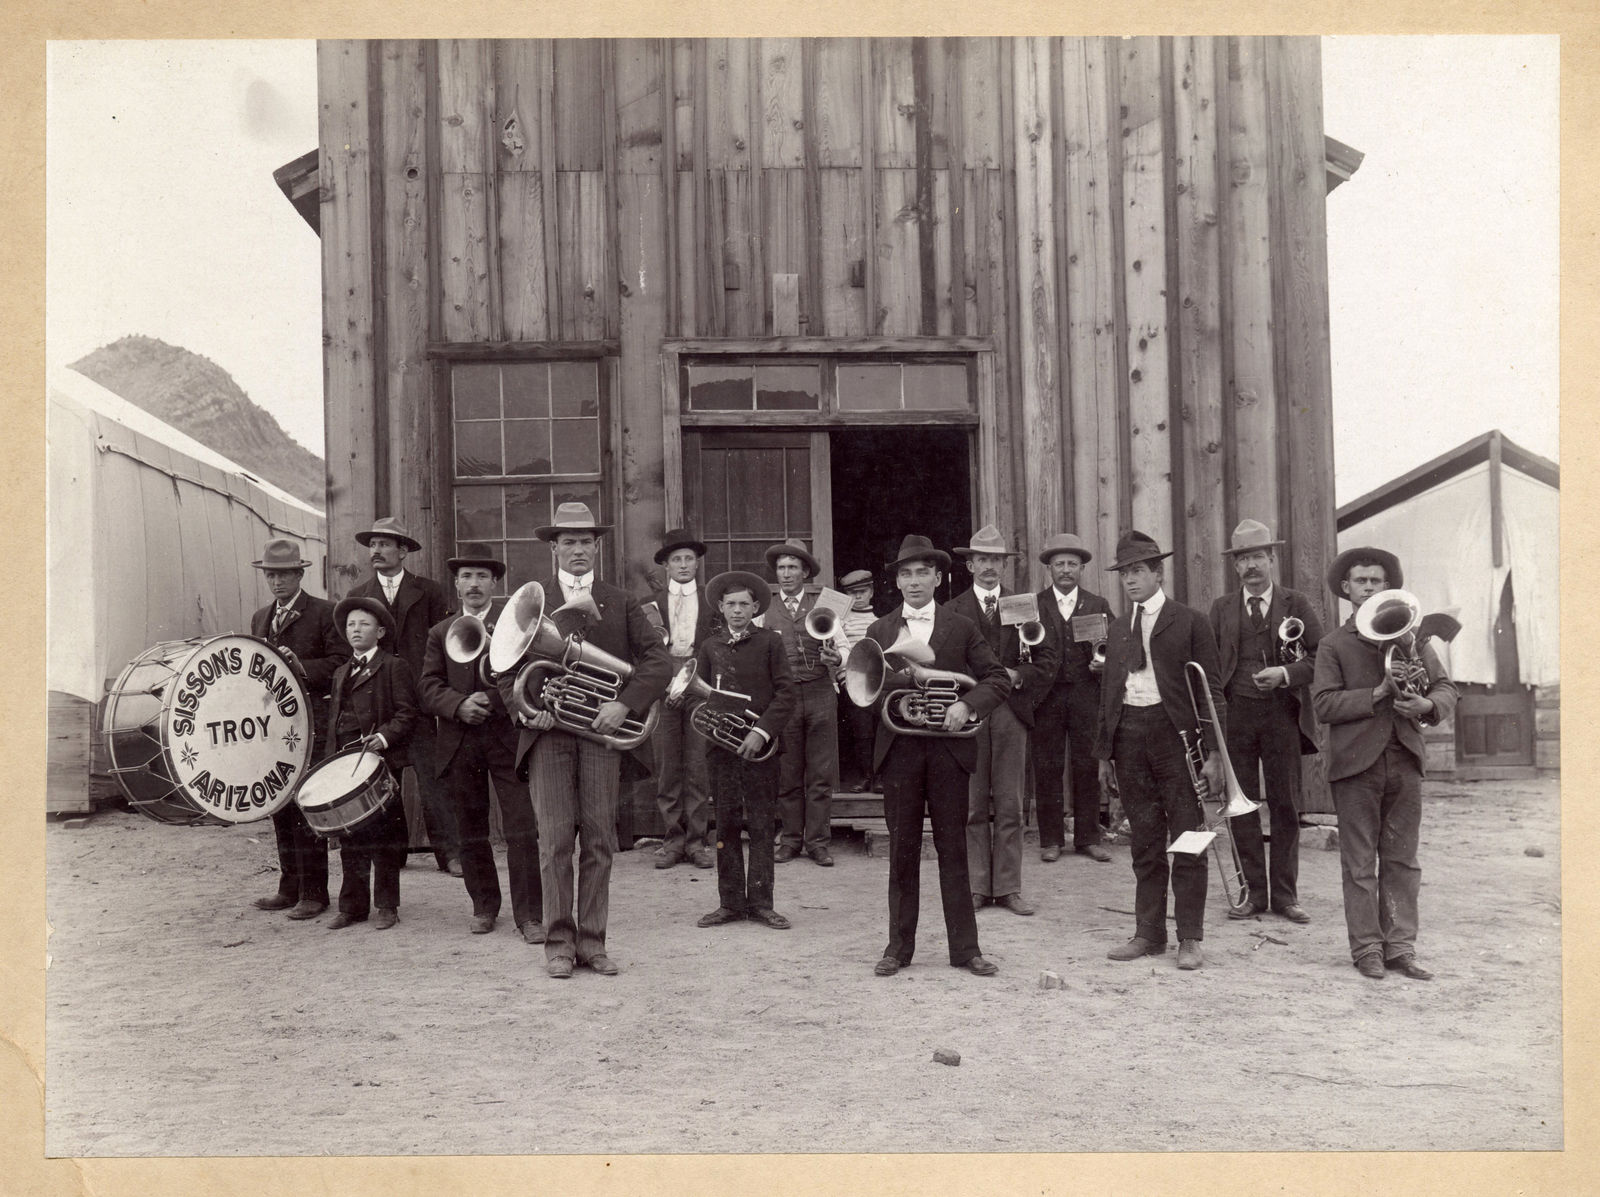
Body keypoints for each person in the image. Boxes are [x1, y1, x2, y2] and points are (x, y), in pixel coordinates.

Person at [498, 502, 673, 978]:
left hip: (601, 736)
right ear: (554, 547)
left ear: (597, 547)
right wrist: (526, 708)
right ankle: (558, 944)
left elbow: (658, 661)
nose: (578, 550)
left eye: (585, 542)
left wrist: (625, 704)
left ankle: (593, 943)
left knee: (599, 841)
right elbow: (505, 671)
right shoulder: (528, 602)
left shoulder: (621, 600)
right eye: (568, 542)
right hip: (549, 738)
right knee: (554, 841)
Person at [864, 535, 1011, 978]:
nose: (913, 581)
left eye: (922, 572)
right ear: (897, 582)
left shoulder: (963, 625)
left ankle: (965, 950)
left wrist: (966, 705)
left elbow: (997, 678)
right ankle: (897, 949)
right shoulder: (880, 630)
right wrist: (896, 687)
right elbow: (867, 694)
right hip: (901, 753)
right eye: (905, 574)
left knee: (953, 851)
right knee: (902, 853)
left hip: (949, 753)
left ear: (939, 578)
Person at [1312, 547, 1457, 981]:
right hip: (1356, 765)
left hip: (1405, 758)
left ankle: (1400, 947)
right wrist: (1376, 694)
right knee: (1359, 863)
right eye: (1361, 581)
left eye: (1376, 581)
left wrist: (1426, 701)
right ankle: (1368, 949)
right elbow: (1322, 703)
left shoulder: (1409, 638)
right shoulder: (1332, 644)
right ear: (1346, 589)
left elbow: (1447, 688)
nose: (1369, 588)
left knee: (1403, 860)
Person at [1094, 530, 1225, 972]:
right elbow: (1109, 693)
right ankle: (1149, 933)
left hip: (1176, 737)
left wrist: (1214, 755)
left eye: (1137, 572)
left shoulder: (1190, 621)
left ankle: (1190, 937)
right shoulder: (1117, 627)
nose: (1129, 581)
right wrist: (1105, 754)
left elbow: (1213, 692)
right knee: (1144, 841)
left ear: (1157, 573)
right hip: (1129, 735)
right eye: (1124, 574)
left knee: (1188, 839)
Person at [418, 545, 543, 943]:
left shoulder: (517, 627)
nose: (474, 583)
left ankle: (530, 915)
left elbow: (532, 679)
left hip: (508, 738)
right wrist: (457, 705)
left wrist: (489, 700)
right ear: (456, 584)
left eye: (482, 577)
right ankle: (484, 906)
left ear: (495, 583)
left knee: (522, 827)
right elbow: (427, 686)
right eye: (467, 576)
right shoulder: (440, 632)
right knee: (470, 827)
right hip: (460, 740)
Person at [1207, 519, 1324, 923]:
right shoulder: (1221, 608)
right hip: (1237, 714)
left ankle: (1286, 896)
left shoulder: (1297, 603)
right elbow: (1209, 666)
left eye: (1258, 556)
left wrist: (1286, 675)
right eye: (1243, 559)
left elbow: (1321, 657)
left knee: (1286, 805)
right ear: (1235, 566)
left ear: (1272, 558)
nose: (1251, 566)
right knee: (1240, 806)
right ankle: (1253, 893)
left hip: (1281, 715)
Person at [947, 525, 1058, 916]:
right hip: (971, 711)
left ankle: (1008, 888)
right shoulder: (953, 609)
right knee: (974, 804)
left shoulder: (1025, 605)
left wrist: (1017, 676)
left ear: (1003, 565)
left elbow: (1047, 661)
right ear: (969, 564)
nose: (989, 567)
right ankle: (978, 887)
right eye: (982, 559)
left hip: (1011, 710)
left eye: (996, 560)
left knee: (1010, 803)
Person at [345, 516, 459, 875]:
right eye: (372, 545)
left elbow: (447, 643)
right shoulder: (357, 596)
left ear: (404, 551)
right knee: (384, 780)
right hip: (380, 705)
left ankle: (450, 854)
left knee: (433, 780)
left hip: (422, 701)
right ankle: (392, 857)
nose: (376, 551)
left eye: (384, 544)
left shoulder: (432, 591)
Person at [248, 538, 351, 920]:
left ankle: (314, 892)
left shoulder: (325, 613)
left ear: (299, 574)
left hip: (311, 724)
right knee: (279, 803)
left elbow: (341, 663)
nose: (277, 582)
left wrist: (302, 666)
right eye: (271, 575)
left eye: (284, 574)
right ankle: (288, 887)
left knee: (305, 804)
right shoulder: (261, 618)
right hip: (274, 727)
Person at [692, 571, 798, 931]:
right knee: (726, 824)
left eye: (744, 604)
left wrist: (762, 731)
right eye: (731, 604)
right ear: (720, 607)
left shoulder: (770, 641)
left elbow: (786, 694)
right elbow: (699, 693)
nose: (737, 610)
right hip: (721, 748)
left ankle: (762, 903)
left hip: (760, 747)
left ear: (755, 607)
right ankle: (731, 903)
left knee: (763, 824)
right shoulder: (709, 646)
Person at [325, 597, 419, 931]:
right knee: (350, 835)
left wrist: (383, 738)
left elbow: (408, 713)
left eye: (364, 624)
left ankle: (387, 906)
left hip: (380, 761)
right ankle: (352, 906)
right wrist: (329, 764)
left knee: (385, 833)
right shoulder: (341, 672)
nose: (356, 630)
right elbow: (335, 720)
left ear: (380, 631)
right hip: (346, 763)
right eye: (351, 625)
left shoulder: (394, 666)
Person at [762, 538, 846, 867]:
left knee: (821, 773)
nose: (785, 574)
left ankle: (818, 843)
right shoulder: (763, 607)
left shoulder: (826, 604)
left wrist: (836, 657)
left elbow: (846, 648)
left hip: (820, 692)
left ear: (805, 572)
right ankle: (791, 840)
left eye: (792, 567)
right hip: (784, 698)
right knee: (788, 772)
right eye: (781, 568)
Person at [1032, 533, 1115, 863]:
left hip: (1085, 694)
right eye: (1059, 564)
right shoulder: (1034, 604)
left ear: (1081, 569)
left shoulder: (1098, 604)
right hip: (1046, 698)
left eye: (1072, 564)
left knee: (1087, 764)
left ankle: (1088, 837)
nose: (1065, 570)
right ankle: (1051, 840)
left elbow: (1115, 647)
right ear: (1049, 569)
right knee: (1047, 766)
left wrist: (1102, 664)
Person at [646, 528, 715, 870]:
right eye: (677, 559)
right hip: (663, 686)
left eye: (689, 559)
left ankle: (697, 841)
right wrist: (667, 681)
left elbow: (716, 647)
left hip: (699, 684)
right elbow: (645, 652)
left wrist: (695, 678)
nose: (684, 565)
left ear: (698, 563)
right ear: (666, 566)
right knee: (667, 767)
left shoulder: (712, 600)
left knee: (698, 766)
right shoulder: (650, 606)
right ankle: (672, 840)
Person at [834, 569, 881, 793]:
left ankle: (879, 777)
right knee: (861, 731)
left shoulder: (879, 622)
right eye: (852, 593)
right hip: (851, 683)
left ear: (871, 592)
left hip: (876, 682)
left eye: (862, 592)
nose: (858, 597)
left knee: (879, 728)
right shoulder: (841, 623)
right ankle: (865, 775)